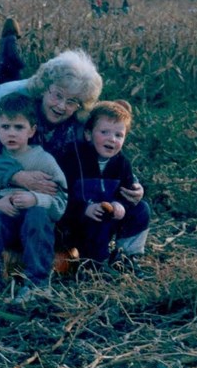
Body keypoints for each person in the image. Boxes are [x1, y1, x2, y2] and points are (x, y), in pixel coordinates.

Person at [0, 49, 144, 282]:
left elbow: (103, 147)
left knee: (51, 167)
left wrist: (131, 181)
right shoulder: (9, 101)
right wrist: (17, 175)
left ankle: (36, 236)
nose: (62, 106)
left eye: (72, 101)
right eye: (58, 95)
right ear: (44, 87)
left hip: (35, 148)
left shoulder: (78, 117)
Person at [0, 92, 67, 302]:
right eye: (5, 127)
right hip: (2, 229)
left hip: (33, 230)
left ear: (32, 130)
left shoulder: (43, 161)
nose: (12, 133)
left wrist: (36, 199)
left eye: (19, 127)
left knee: (38, 214)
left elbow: (60, 202)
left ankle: (36, 283)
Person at [58, 101, 151, 278]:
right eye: (104, 132)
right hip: (77, 224)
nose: (112, 139)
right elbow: (60, 196)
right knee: (97, 219)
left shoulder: (121, 162)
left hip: (106, 217)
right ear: (88, 135)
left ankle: (127, 257)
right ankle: (95, 265)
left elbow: (128, 190)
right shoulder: (73, 159)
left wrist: (120, 204)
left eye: (119, 135)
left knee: (141, 209)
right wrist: (84, 209)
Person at [0, 17, 25, 84]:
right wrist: (22, 65)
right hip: (11, 71)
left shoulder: (3, 40)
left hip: (2, 71)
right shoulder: (12, 39)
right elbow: (13, 54)